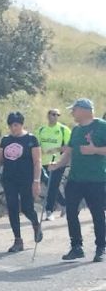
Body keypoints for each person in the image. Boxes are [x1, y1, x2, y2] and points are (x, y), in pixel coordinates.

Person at [50, 99, 106, 262]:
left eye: (74, 110)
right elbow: (69, 152)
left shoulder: (102, 126)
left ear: (84, 110)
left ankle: (101, 247)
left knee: (97, 213)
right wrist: (57, 165)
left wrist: (95, 150)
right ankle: (76, 247)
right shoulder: (75, 130)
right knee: (71, 212)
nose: (72, 113)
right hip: (75, 179)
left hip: (96, 179)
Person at [0, 112, 43, 253]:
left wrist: (36, 181)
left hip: (26, 179)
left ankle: (35, 224)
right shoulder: (5, 140)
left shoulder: (31, 139)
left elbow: (37, 161)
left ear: (21, 124)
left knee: (27, 208)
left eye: (16, 125)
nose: (13, 128)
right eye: (11, 125)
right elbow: (0, 160)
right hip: (9, 179)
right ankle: (18, 240)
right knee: (12, 208)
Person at [36, 108, 70, 221]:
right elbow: (36, 145)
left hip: (58, 162)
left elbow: (69, 146)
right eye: (53, 114)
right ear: (48, 115)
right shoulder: (41, 130)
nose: (55, 117)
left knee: (53, 185)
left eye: (57, 115)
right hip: (43, 163)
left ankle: (49, 210)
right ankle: (64, 204)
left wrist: (55, 149)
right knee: (50, 185)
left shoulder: (63, 129)